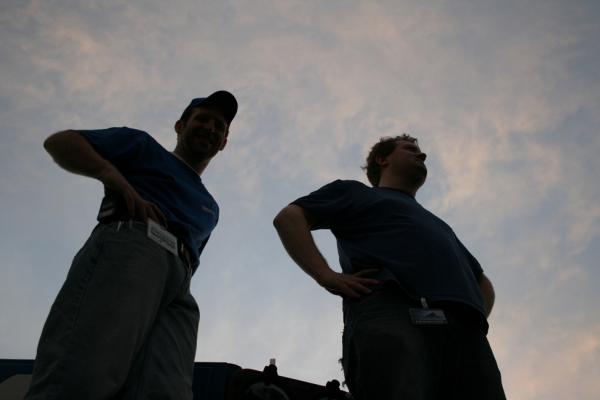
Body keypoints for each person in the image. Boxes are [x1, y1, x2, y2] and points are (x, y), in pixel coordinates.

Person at [25, 91, 238, 400]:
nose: (210, 128)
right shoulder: (143, 146)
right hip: (135, 249)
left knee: (167, 389)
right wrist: (112, 175)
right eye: (203, 119)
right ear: (180, 126)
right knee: (87, 370)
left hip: (179, 285)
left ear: (224, 143)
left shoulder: (211, 208)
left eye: (219, 126)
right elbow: (61, 142)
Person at [273, 134, 506, 399]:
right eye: (409, 149)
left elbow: (482, 283)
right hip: (391, 310)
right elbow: (289, 217)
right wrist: (325, 275)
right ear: (382, 160)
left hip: (465, 332)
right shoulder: (355, 192)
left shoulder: (439, 225)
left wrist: (470, 323)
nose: (421, 155)